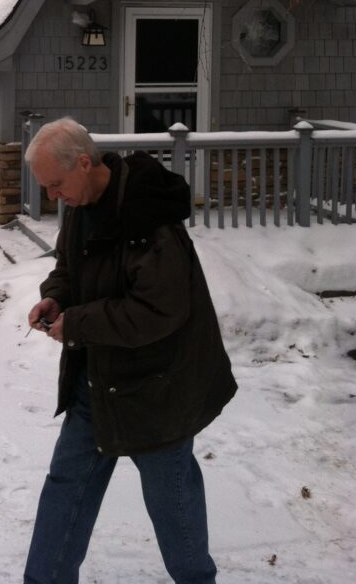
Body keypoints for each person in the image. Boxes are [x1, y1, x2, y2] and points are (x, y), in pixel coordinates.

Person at [24, 117, 236, 584]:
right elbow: (68, 265)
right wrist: (56, 296)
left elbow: (159, 311)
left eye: (56, 186)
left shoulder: (148, 219)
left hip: (157, 389)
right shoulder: (81, 205)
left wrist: (77, 322)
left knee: (172, 503)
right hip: (96, 380)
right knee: (65, 489)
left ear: (84, 162)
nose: (52, 197)